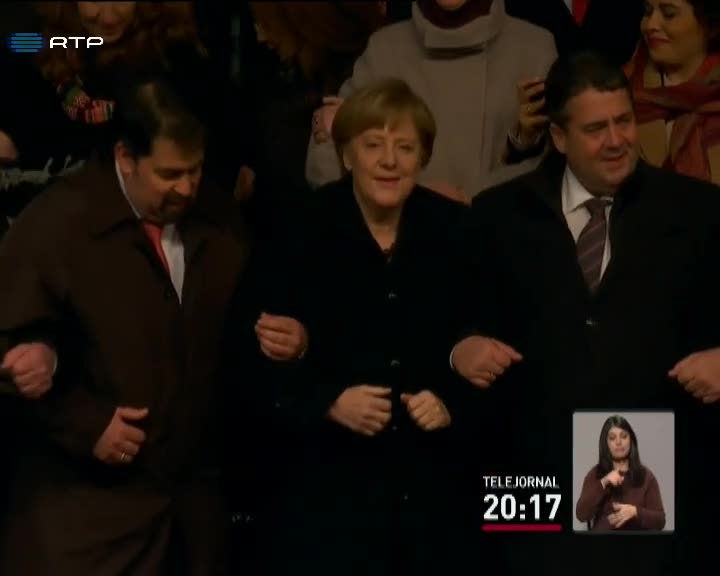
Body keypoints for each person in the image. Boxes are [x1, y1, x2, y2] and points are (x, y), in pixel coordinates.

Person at [450, 51, 720, 574]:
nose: (617, 140)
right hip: (529, 464)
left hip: (655, 465)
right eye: (596, 129)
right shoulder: (496, 216)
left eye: (624, 121)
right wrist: (461, 348)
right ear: (558, 136)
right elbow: (449, 318)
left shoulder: (700, 212)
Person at [0, 70, 248, 575]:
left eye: (196, 170)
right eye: (170, 174)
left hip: (190, 516)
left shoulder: (219, 220)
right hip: (86, 520)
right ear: (126, 159)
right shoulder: (57, 225)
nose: (187, 188)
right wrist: (85, 422)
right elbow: (13, 346)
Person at [288, 78, 477, 576]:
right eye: (373, 145)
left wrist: (451, 400)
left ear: (423, 157)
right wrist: (327, 401)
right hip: (331, 493)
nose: (389, 161)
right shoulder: (299, 230)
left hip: (432, 492)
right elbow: (253, 357)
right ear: (347, 155)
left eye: (405, 148)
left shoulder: (458, 231)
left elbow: (487, 340)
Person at [306, 0, 557, 201]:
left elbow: (555, 166)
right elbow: (328, 179)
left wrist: (473, 198)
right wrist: (330, 133)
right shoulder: (384, 49)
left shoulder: (533, 48)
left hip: (500, 237)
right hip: (402, 240)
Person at [625, 0, 720, 184]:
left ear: (711, 25)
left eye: (669, 14)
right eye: (648, 12)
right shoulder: (618, 92)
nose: (650, 25)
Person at [576, 415, 666, 531]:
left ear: (631, 440)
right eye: (612, 438)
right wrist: (604, 482)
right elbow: (581, 515)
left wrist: (635, 512)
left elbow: (660, 521)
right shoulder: (595, 474)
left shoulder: (646, 476)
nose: (618, 442)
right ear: (606, 444)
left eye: (623, 436)